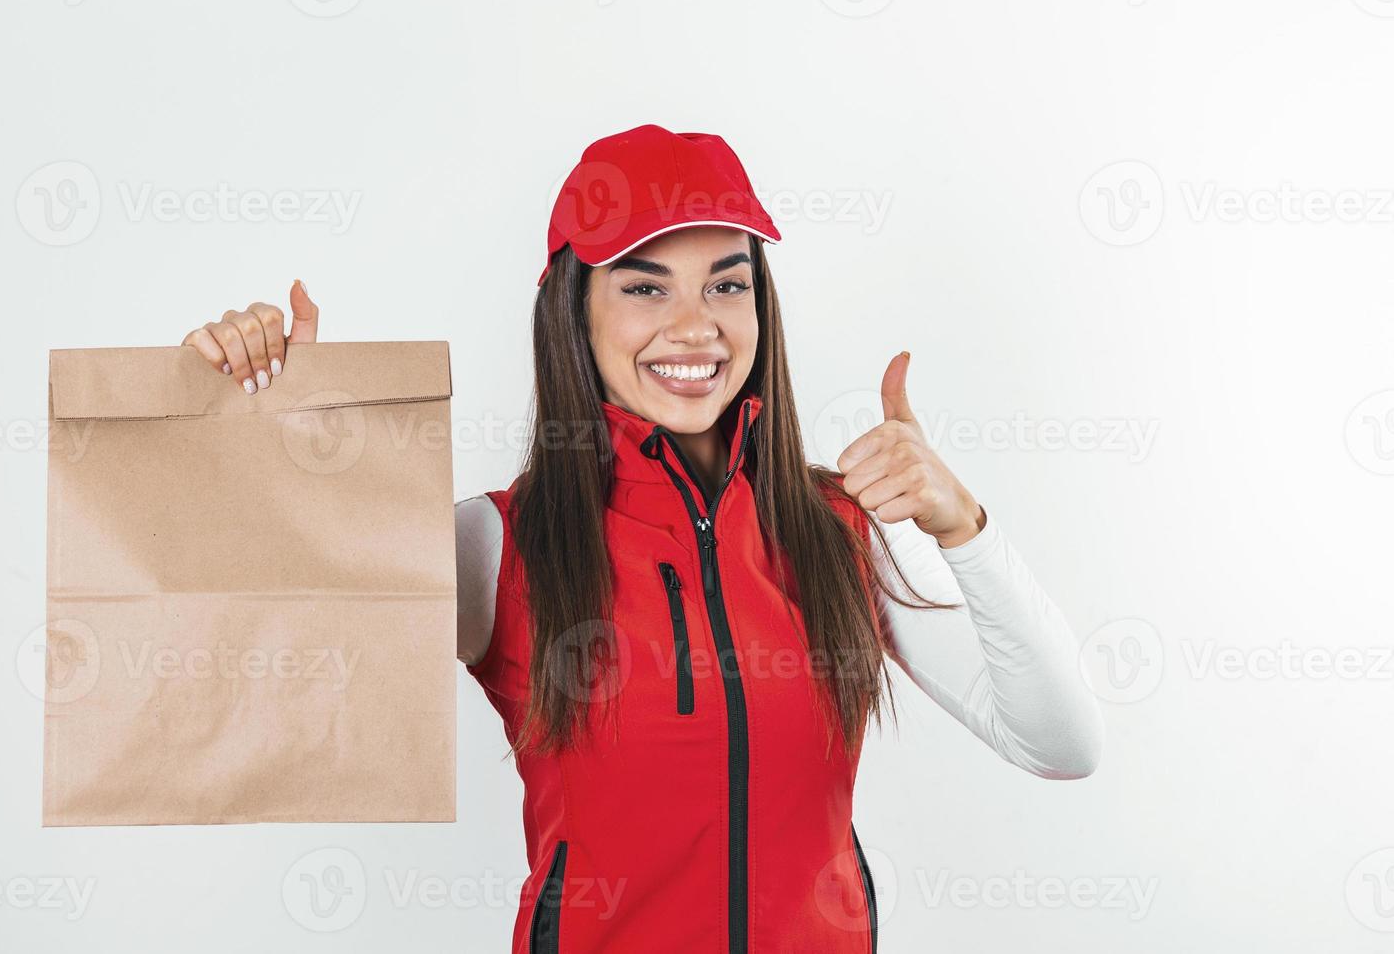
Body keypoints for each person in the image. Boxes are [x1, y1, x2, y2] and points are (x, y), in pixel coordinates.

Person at [178, 124, 1104, 953]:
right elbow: (248, 677)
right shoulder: (499, 546)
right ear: (574, 311)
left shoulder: (840, 529)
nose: (693, 324)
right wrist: (256, 423)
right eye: (644, 285)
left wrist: (963, 529)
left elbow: (1061, 742)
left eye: (725, 284)